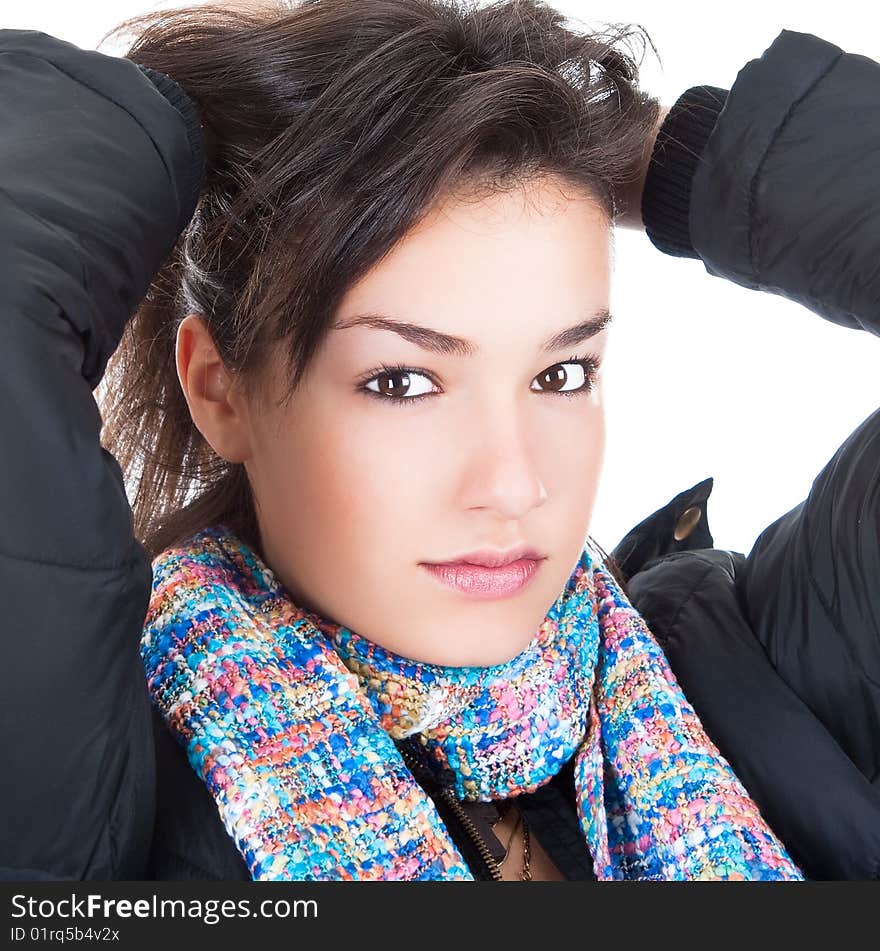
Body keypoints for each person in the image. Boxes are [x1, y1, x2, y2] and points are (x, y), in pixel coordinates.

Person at [0, 0, 877, 882]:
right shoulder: (95, 806)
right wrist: (177, 129)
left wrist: (674, 162)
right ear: (218, 389)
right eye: (402, 381)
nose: (513, 482)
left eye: (560, 374)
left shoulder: (757, 675)